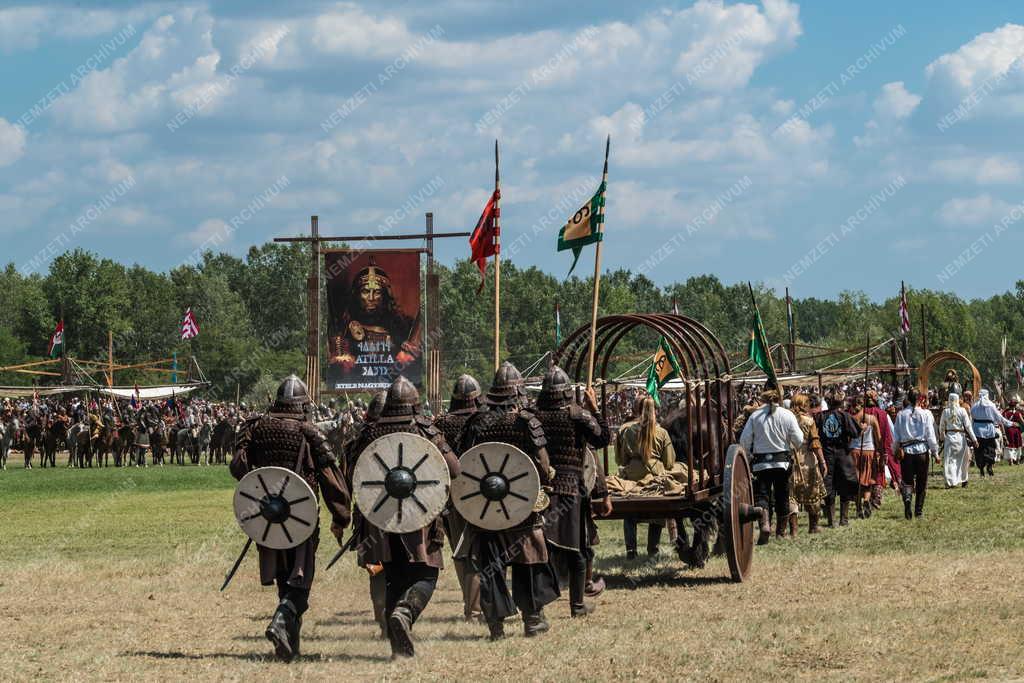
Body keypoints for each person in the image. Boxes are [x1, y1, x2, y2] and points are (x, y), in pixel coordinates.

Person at [229, 375, 351, 662]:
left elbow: (238, 468)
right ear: (303, 404)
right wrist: (341, 515)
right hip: (300, 516)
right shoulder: (309, 433)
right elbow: (331, 479)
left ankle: (289, 648)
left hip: (267, 516)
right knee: (300, 580)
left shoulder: (256, 428)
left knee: (285, 578)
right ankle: (280, 622)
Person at [345, 375, 460, 659]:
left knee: (393, 578)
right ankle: (405, 612)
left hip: (380, 517)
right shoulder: (425, 429)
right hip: (417, 516)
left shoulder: (369, 433)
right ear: (415, 403)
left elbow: (352, 474)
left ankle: (398, 647)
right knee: (426, 573)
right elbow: (454, 468)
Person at [458, 361, 558, 640]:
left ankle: (496, 625)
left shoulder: (476, 423)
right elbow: (542, 464)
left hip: (487, 508)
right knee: (528, 562)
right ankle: (532, 619)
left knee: (491, 567)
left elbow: (464, 463)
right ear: (519, 392)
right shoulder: (526, 422)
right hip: (521, 505)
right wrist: (546, 478)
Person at [533, 365, 611, 618]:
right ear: (567, 391)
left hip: (541, 491)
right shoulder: (577, 415)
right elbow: (603, 439)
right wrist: (594, 408)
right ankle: (577, 606)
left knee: (541, 552)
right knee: (575, 550)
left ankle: (536, 608)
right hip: (570, 491)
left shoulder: (533, 417)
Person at [433, 374, 484, 623]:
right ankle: (474, 609)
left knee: (460, 550)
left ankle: (470, 603)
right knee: (475, 552)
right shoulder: (484, 419)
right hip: (482, 494)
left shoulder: (440, 423)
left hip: (452, 496)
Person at [739, 388, 803, 543]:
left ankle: (765, 525)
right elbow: (799, 440)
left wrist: (748, 455)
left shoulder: (755, 416)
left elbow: (744, 441)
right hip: (782, 463)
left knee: (762, 495)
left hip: (761, 464)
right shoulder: (787, 415)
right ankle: (780, 533)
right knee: (782, 496)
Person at [615, 395, 676, 557]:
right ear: (655, 411)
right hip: (655, 476)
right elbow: (669, 462)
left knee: (629, 512)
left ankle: (631, 550)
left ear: (638, 410)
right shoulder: (662, 433)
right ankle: (653, 549)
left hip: (633, 477)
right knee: (658, 510)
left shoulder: (629, 431)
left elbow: (622, 460)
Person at [815, 391, 861, 527]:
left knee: (829, 485)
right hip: (842, 455)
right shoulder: (845, 416)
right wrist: (861, 427)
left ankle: (832, 521)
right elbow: (855, 433)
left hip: (827, 455)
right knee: (844, 485)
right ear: (841, 402)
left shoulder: (820, 416)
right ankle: (843, 520)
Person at [894, 389, 939, 519]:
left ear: (908, 399)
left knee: (907, 481)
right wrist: (935, 452)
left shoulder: (901, 415)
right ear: (919, 399)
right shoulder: (925, 414)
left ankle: (908, 502)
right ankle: (918, 511)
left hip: (907, 453)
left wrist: (894, 450)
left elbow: (896, 437)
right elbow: (930, 435)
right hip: (922, 453)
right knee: (921, 482)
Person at [787, 394, 827, 535]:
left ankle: (794, 530)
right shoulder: (809, 421)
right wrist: (822, 461)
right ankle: (813, 527)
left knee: (791, 495)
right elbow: (815, 443)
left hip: (790, 459)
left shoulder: (786, 419)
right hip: (807, 460)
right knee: (812, 493)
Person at [847, 396, 881, 519]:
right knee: (868, 479)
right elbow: (878, 438)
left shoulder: (851, 419)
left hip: (854, 451)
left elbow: (848, 437)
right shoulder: (872, 419)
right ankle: (866, 500)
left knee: (856, 481)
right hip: (869, 450)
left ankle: (858, 507)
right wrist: (880, 452)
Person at [970, 389, 1013, 478]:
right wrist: (1010, 423)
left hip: (977, 430)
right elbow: (999, 418)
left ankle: (981, 469)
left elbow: (972, 418)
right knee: (990, 449)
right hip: (989, 430)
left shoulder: (975, 406)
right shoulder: (991, 405)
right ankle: (989, 465)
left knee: (979, 450)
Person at [938, 392, 975, 489]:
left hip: (950, 438)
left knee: (949, 461)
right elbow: (968, 426)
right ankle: (963, 479)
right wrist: (974, 439)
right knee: (962, 460)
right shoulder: (962, 411)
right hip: (960, 438)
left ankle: (950, 482)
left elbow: (941, 427)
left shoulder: (945, 411)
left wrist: (942, 437)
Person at [1001, 395, 1023, 465]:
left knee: (1010, 445)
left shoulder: (1004, 413)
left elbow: (1002, 423)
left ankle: (1011, 461)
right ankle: (1018, 460)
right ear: (1015, 405)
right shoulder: (1018, 413)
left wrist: (1003, 433)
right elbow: (1022, 422)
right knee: (1017, 445)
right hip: (1016, 431)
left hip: (1008, 430)